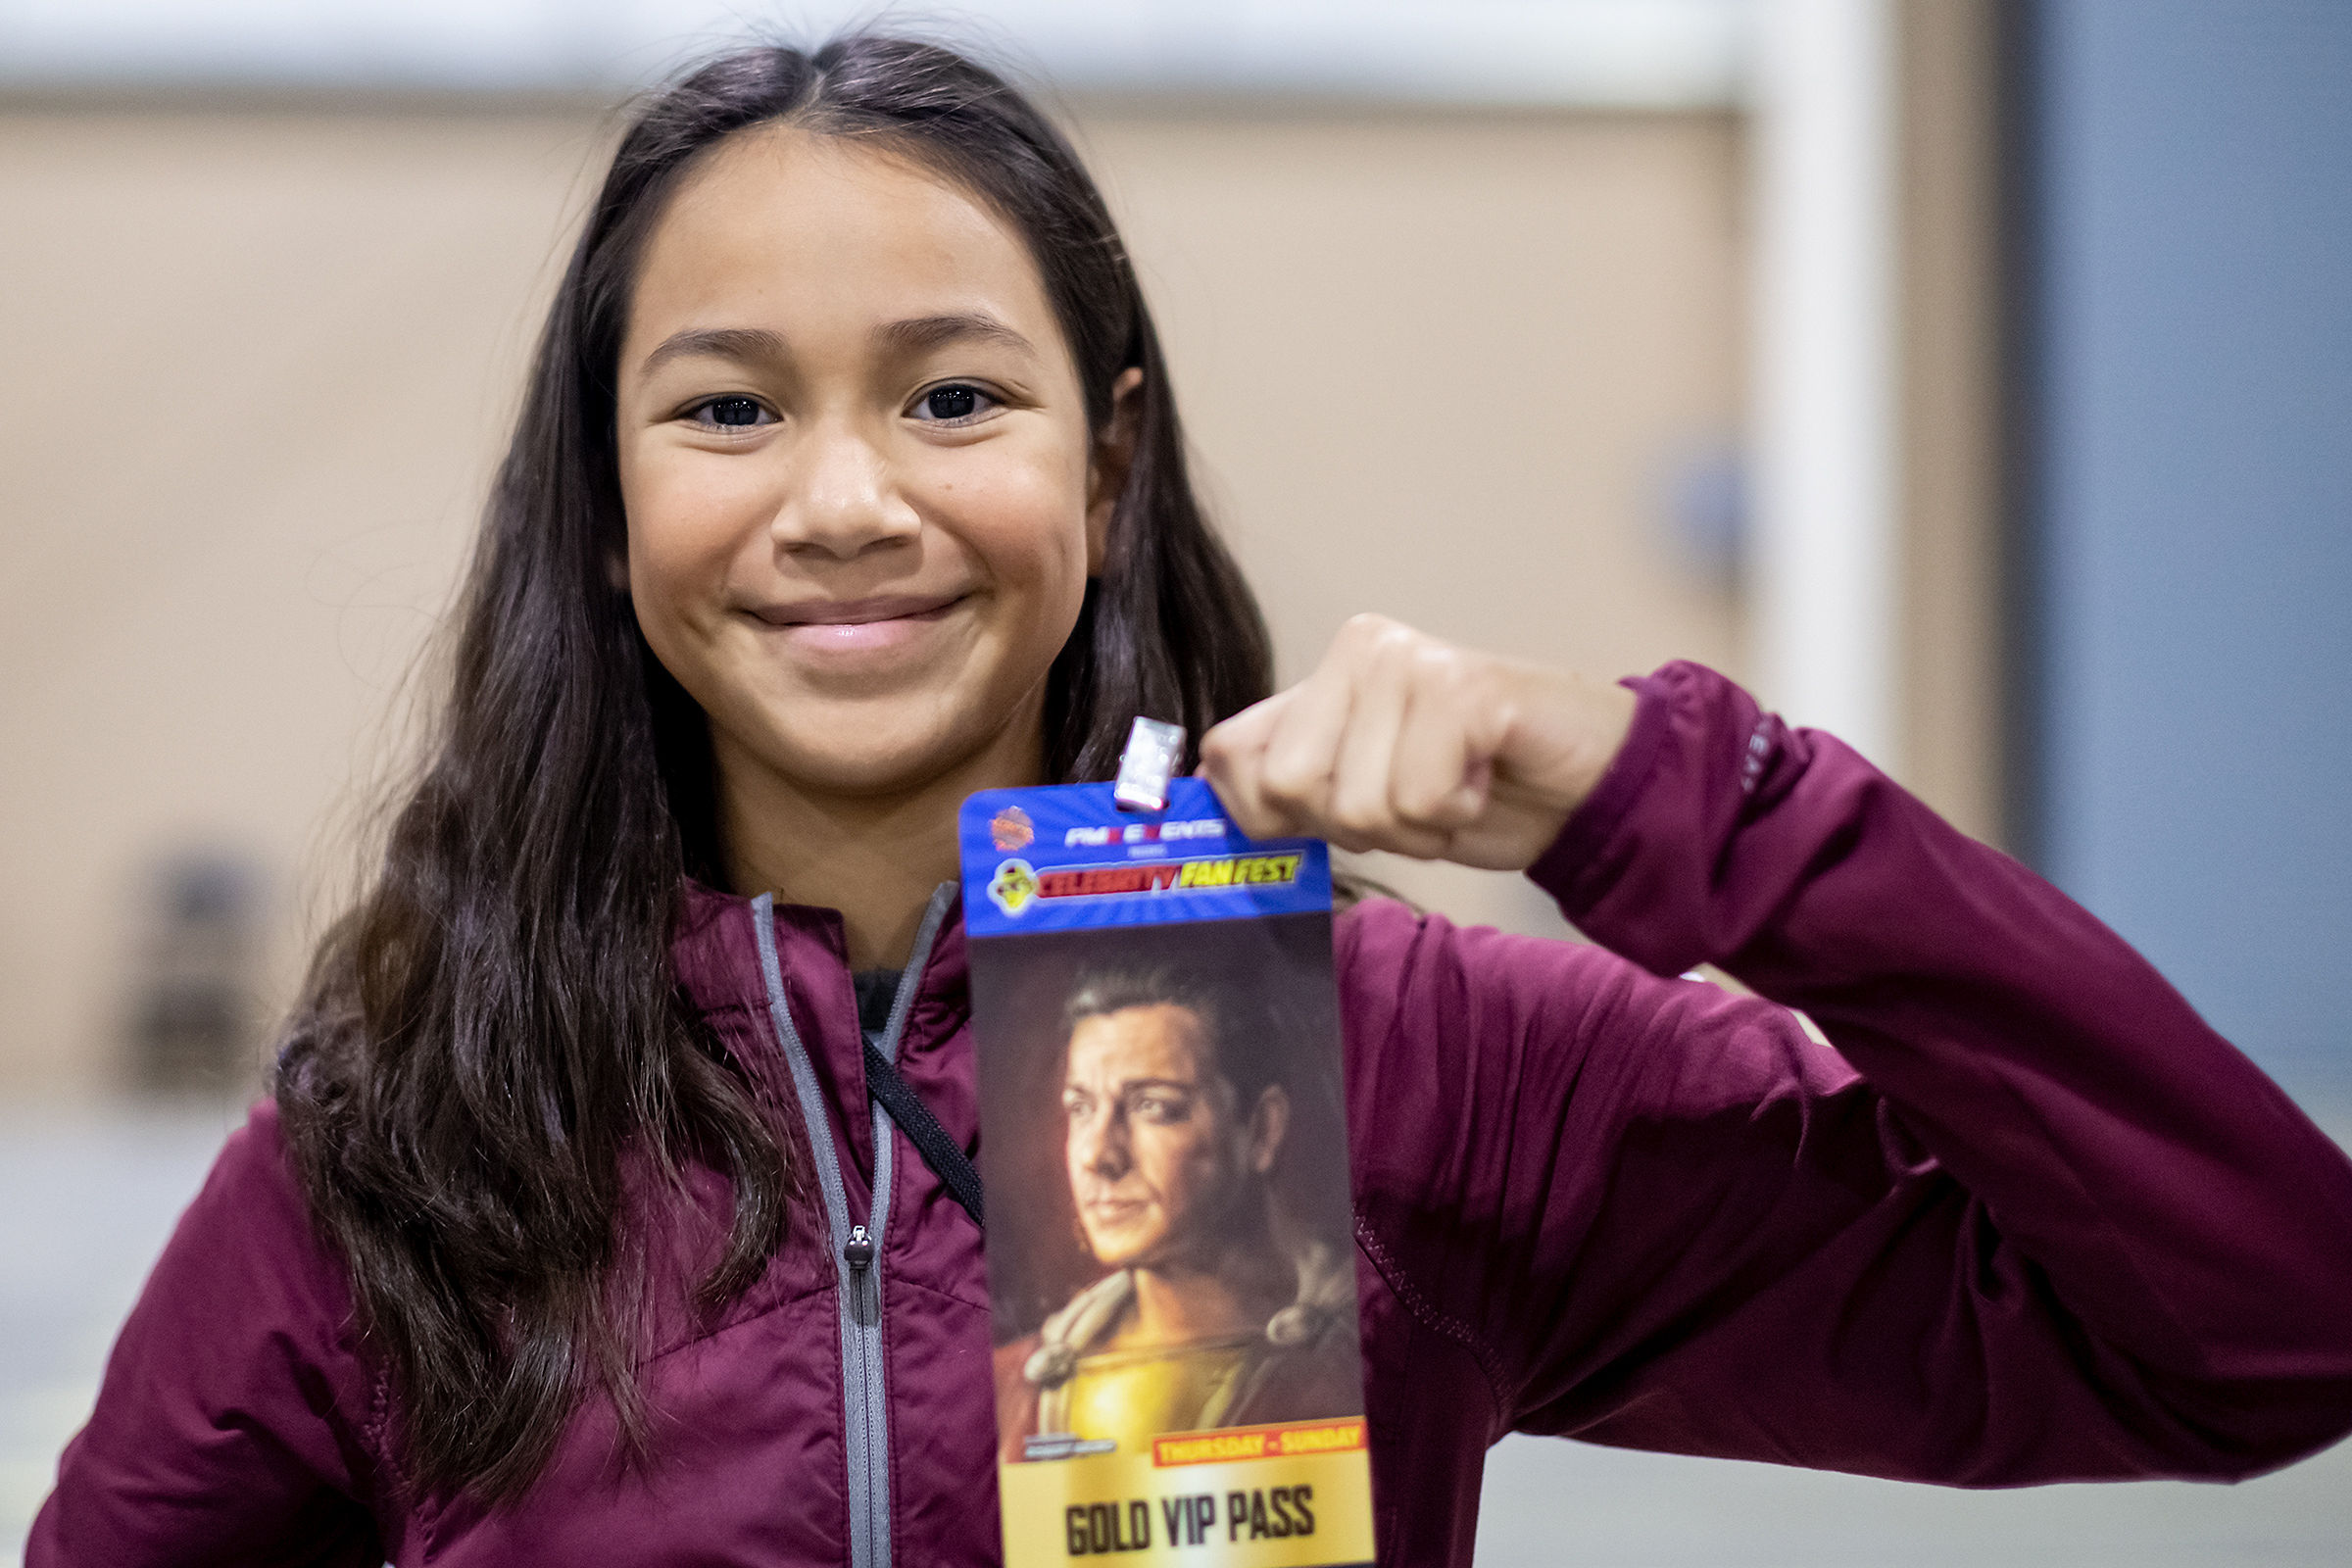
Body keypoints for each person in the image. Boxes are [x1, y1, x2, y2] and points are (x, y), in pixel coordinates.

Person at [29, 31, 2352, 1568]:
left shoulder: (1401, 1061)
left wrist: (1687, 801)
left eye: (952, 397)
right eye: (726, 409)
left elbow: (2258, 1324)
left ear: (1108, 455)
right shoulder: (427, 1126)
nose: (842, 501)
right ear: (608, 488)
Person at [993, 968, 1361, 1461]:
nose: (1099, 1155)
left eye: (1154, 1107)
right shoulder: (1016, 1384)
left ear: (1261, 1130)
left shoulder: (1353, 1359)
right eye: (1081, 1109)